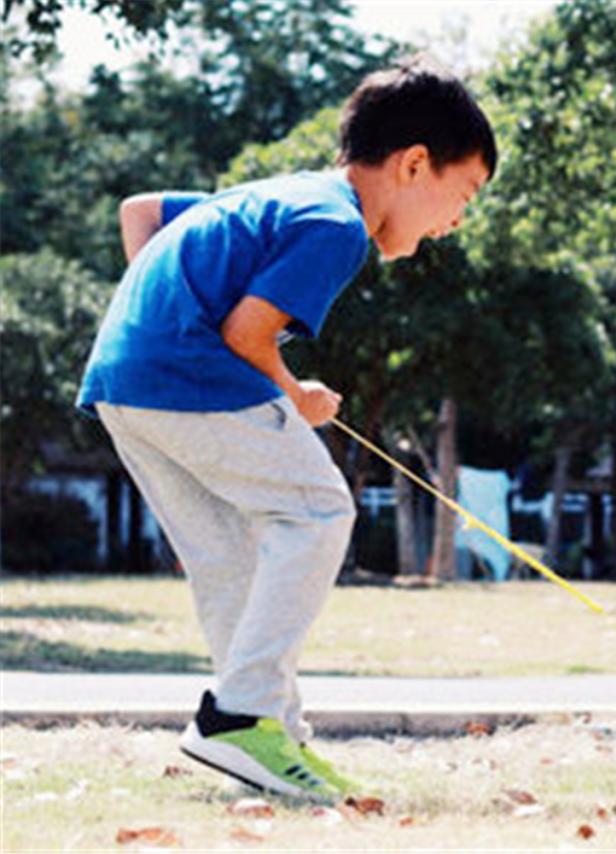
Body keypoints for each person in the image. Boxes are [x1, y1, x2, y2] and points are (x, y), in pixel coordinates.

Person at [76, 55, 496, 799]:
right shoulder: (337, 226)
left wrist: (157, 308)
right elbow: (246, 334)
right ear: (414, 163)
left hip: (123, 380)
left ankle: (270, 739)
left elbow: (140, 211)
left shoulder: (279, 195)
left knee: (229, 557)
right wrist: (293, 393)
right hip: (187, 376)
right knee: (320, 509)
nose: (457, 220)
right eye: (463, 194)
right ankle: (240, 718)